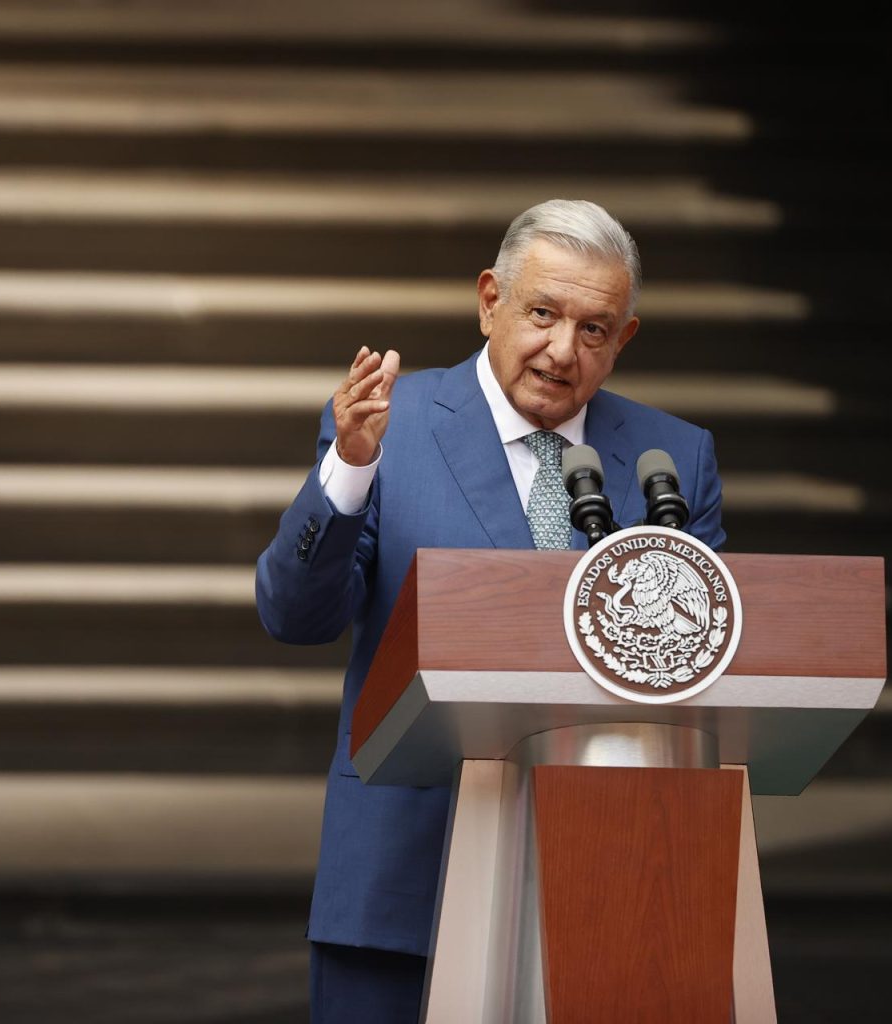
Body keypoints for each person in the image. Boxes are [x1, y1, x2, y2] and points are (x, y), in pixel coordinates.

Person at [255, 199, 726, 1022]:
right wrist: (349, 473)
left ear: (624, 340)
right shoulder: (391, 432)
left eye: (594, 329)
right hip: (404, 874)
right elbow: (296, 616)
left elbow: (706, 671)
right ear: (489, 301)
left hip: (615, 876)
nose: (560, 350)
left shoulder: (671, 459)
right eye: (542, 313)